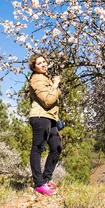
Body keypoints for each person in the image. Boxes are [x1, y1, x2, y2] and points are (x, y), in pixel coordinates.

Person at [27, 53, 63, 195]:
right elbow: (47, 100)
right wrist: (55, 85)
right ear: (34, 67)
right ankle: (39, 183)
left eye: (44, 61)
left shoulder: (44, 78)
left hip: (50, 117)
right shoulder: (36, 80)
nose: (43, 64)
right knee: (37, 149)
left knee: (56, 147)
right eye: (39, 63)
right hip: (40, 117)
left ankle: (46, 178)